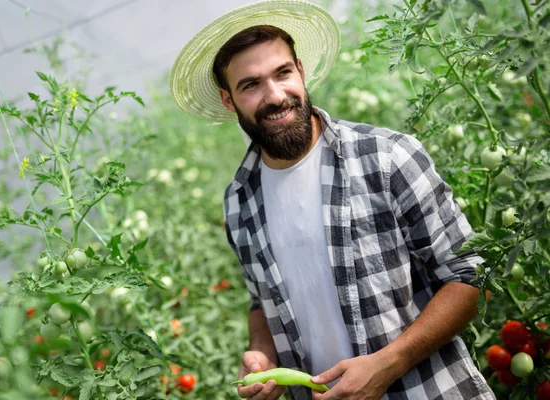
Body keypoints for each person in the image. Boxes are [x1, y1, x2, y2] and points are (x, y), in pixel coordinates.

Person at [170, 1, 495, 399]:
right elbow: (262, 300)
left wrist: (390, 362)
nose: (275, 95)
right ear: (228, 100)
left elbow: (471, 275)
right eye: (251, 85)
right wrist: (262, 353)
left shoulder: (386, 157)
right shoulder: (239, 201)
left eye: (283, 73)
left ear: (301, 71)